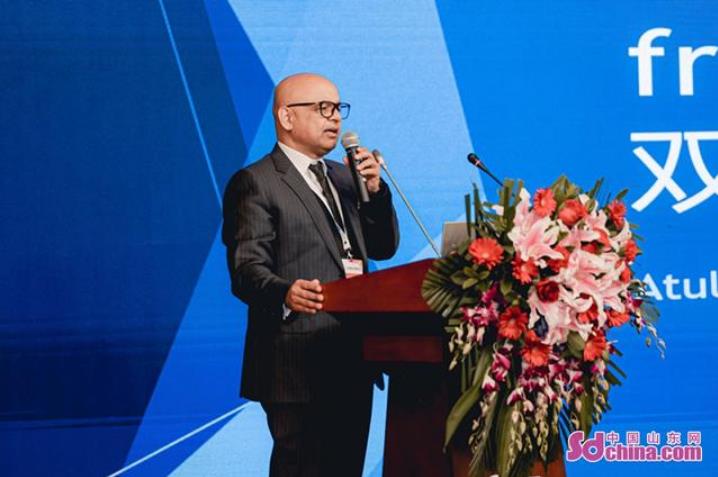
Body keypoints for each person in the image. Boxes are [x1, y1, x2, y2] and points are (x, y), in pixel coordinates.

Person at [222, 73, 399, 477]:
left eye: (338, 108)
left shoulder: (345, 176)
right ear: (286, 117)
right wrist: (285, 292)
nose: (334, 117)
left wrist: (375, 190)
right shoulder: (257, 182)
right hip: (296, 363)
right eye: (322, 108)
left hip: (353, 357)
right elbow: (246, 269)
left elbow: (382, 247)